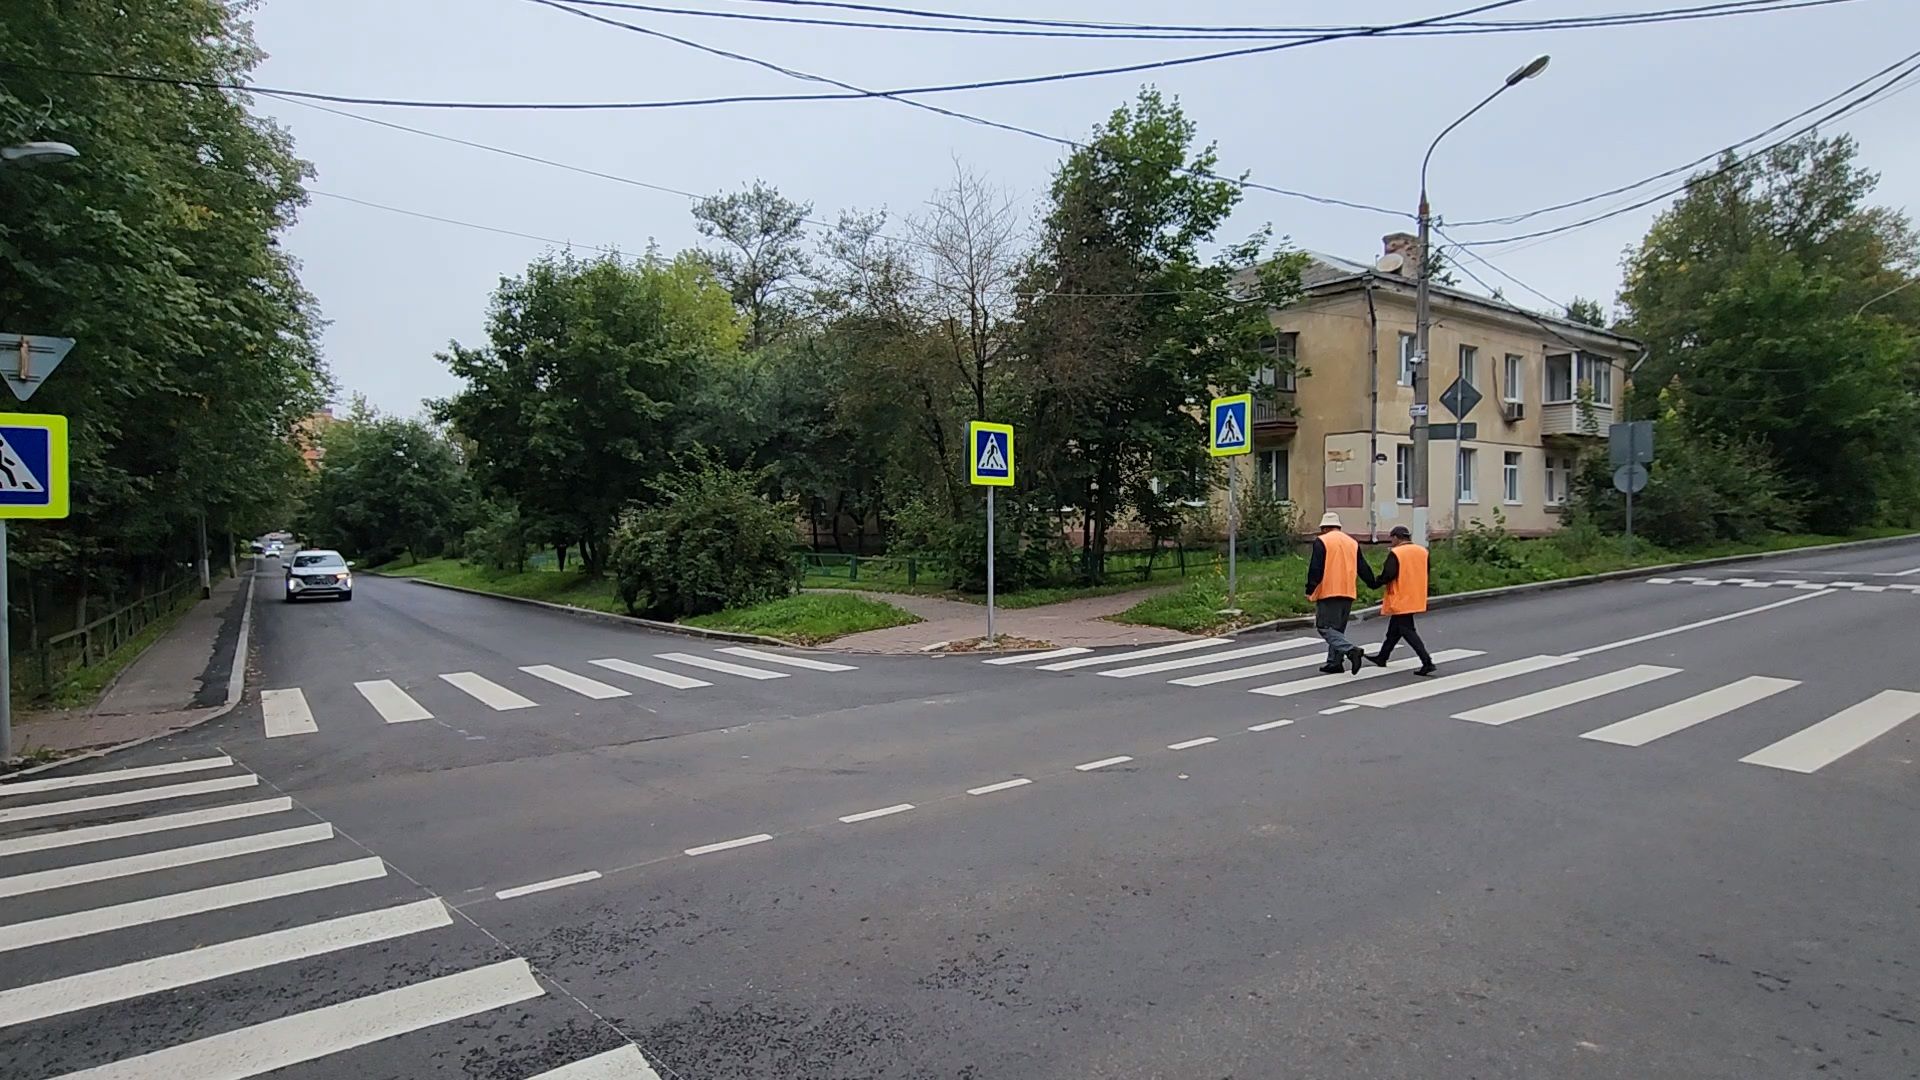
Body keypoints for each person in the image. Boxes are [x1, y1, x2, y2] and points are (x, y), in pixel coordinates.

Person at [1304, 511, 1375, 674]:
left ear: (1323, 528)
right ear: (1338, 527)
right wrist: (1372, 583)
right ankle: (1335, 663)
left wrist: (1310, 588)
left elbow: (1316, 567)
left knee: (1324, 627)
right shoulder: (1352, 542)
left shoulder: (1322, 541)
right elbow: (1362, 566)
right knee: (1337, 629)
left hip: (1329, 591)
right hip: (1348, 591)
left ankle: (1350, 650)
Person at [1368, 525, 1438, 677]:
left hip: (1401, 595)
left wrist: (1375, 583)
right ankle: (1382, 657)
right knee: (1395, 630)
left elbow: (1389, 574)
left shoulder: (1397, 553)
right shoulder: (1422, 551)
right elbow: (1425, 571)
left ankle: (1427, 662)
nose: (1390, 542)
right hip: (1416, 594)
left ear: (1396, 537)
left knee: (1407, 630)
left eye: (1391, 538)